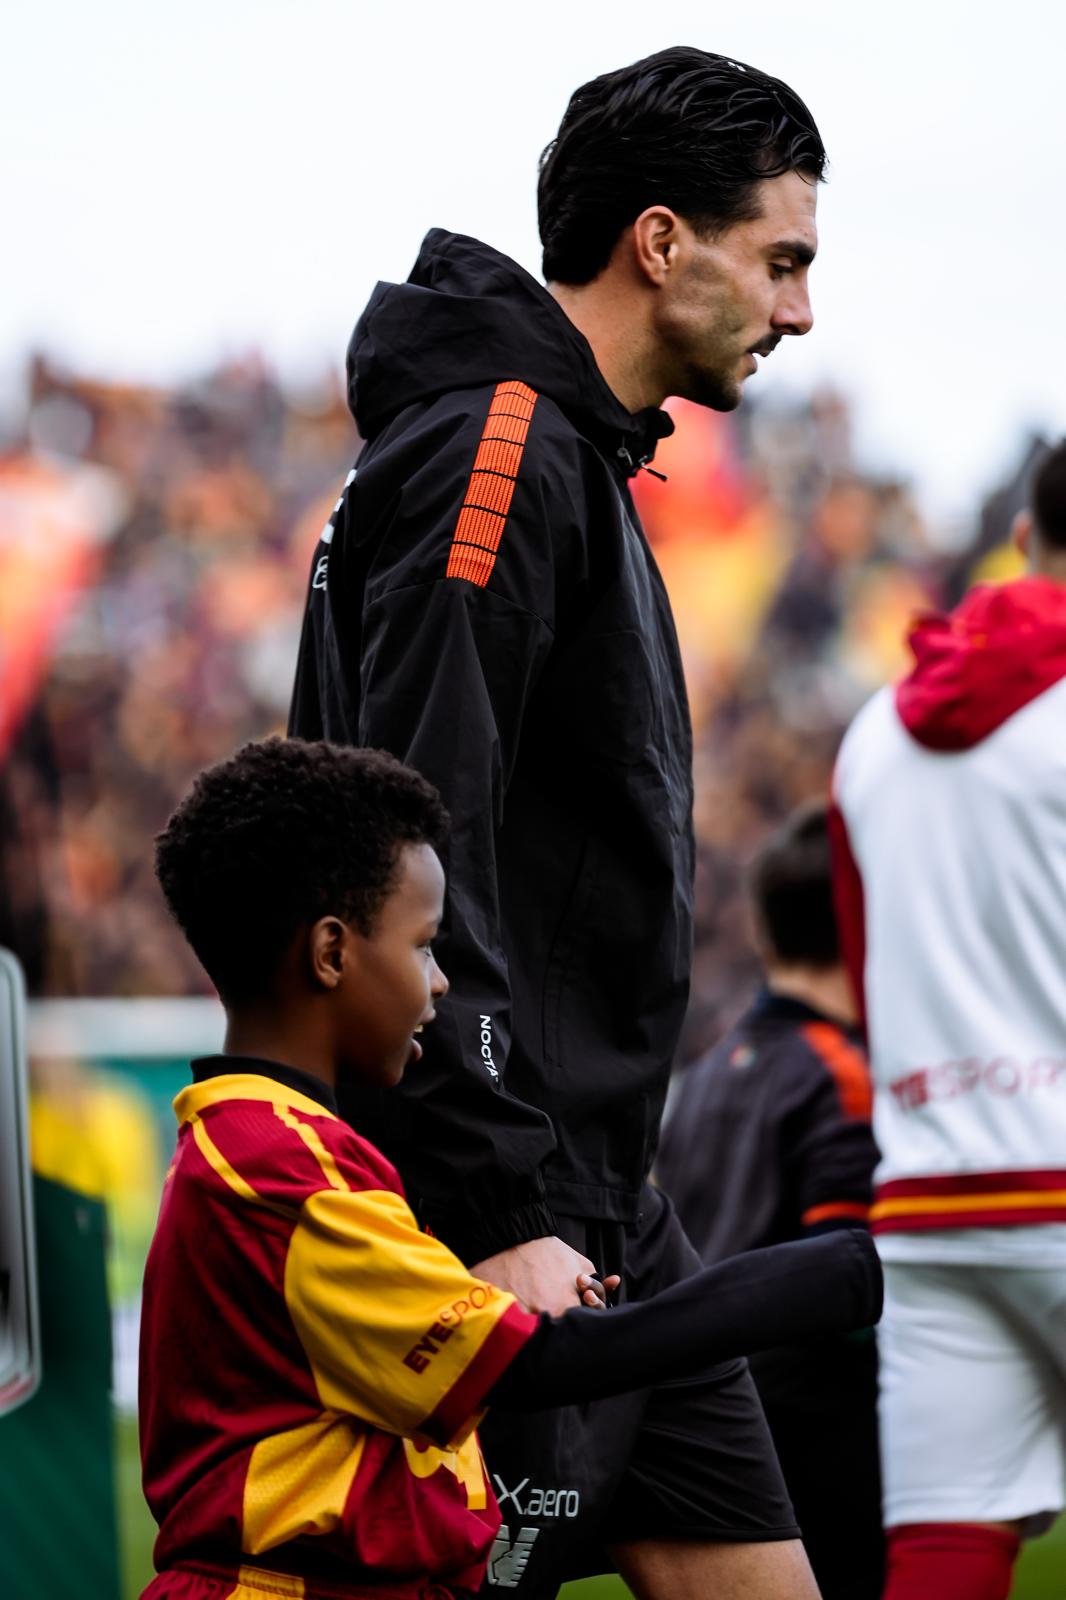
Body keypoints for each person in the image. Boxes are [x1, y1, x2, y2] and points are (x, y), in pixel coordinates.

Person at [289, 45, 824, 1597]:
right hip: (493, 1210)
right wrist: (504, 1201)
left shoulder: (557, 453)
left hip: (603, 1201)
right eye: (780, 259)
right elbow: (409, 841)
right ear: (661, 242)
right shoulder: (500, 451)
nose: (799, 311)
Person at [138, 736, 880, 1600]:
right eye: (424, 946)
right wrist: (834, 1275)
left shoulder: (258, 1144)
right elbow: (533, 1367)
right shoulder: (277, 1166)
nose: (444, 983)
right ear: (333, 953)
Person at [830, 439, 1066, 1600]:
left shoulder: (873, 731)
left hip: (930, 1203)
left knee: (938, 1563)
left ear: (1025, 542)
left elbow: (864, 976)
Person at [656, 803, 883, 1600]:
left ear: (760, 930)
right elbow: (851, 1293)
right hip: (826, 1436)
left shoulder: (712, 1071)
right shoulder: (843, 1070)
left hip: (718, 1422)